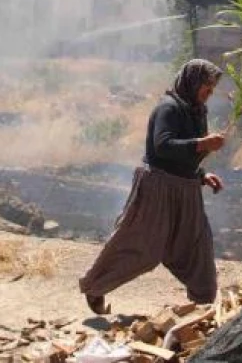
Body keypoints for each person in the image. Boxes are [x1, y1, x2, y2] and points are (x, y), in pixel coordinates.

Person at [79, 59, 226, 314]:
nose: (208, 95)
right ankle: (95, 286)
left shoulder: (197, 111)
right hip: (158, 189)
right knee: (140, 247)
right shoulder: (168, 108)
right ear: (192, 83)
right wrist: (201, 144)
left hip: (186, 191)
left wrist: (202, 175)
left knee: (197, 245)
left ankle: (203, 306)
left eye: (212, 90)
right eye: (206, 88)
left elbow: (186, 156)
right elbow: (162, 146)